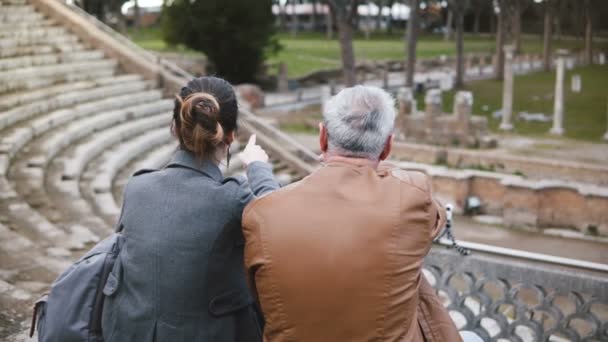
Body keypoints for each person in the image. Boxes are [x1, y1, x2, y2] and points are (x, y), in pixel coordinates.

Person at [242, 85, 482, 342]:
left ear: (322, 138)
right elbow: (436, 219)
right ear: (387, 146)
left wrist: (257, 168)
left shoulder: (261, 216)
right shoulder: (412, 197)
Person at [101, 76, 279, 341]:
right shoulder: (234, 197)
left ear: (174, 128)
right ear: (230, 136)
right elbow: (281, 225)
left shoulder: (137, 185)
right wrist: (258, 168)